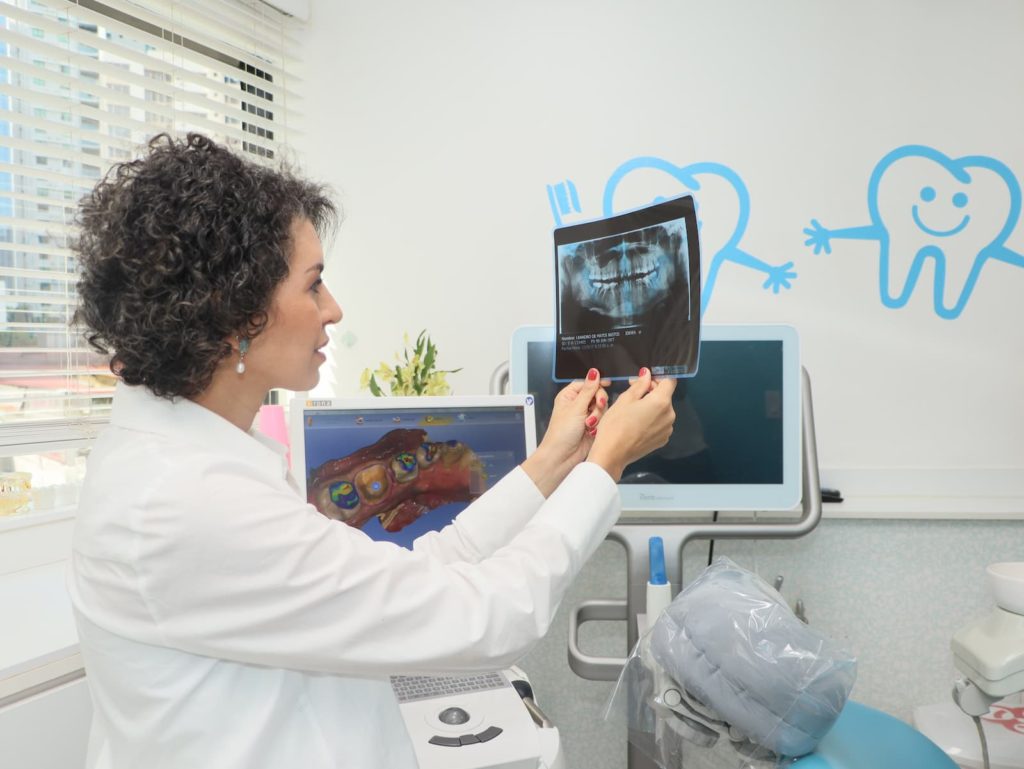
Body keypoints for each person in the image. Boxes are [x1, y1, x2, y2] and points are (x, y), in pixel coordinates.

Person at [68, 133, 677, 769]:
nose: (333, 310)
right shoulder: (186, 502)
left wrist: (556, 460)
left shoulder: (193, 460)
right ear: (235, 313)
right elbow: (484, 617)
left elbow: (413, 572)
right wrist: (604, 467)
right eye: (313, 286)